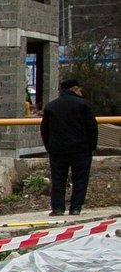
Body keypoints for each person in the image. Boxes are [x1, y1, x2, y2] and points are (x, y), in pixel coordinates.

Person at [41, 78, 99, 217]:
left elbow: (44, 130)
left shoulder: (51, 107)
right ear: (74, 89)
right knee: (80, 179)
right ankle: (76, 208)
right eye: (79, 89)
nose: (80, 92)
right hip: (81, 150)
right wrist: (92, 147)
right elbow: (92, 128)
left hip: (58, 150)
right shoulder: (84, 105)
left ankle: (58, 208)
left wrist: (49, 147)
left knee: (58, 179)